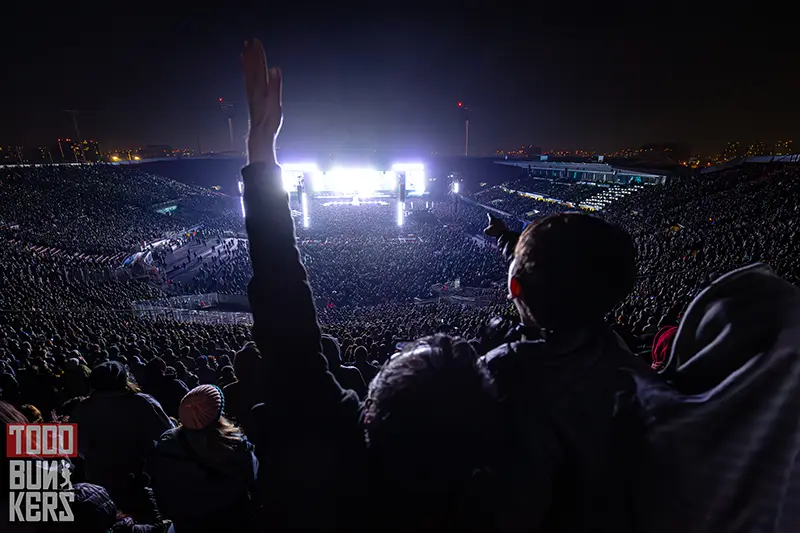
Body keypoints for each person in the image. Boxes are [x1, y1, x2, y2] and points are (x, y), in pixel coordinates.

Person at [239, 39, 498, 532]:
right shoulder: (500, 501)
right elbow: (286, 317)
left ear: (371, 413)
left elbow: (283, 304)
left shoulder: (338, 460)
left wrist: (261, 151)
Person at [482, 211, 650, 532]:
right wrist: (506, 237)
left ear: (514, 288)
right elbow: (556, 269)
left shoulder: (505, 373)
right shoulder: (628, 363)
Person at [147, 384, 258, 533]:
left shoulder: (166, 444)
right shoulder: (235, 444)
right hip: (229, 521)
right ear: (218, 414)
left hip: (187, 522)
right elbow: (251, 475)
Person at [70, 361, 174, 517]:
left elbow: (76, 446)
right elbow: (168, 433)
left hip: (99, 478)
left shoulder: (82, 408)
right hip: (139, 478)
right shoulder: (142, 402)